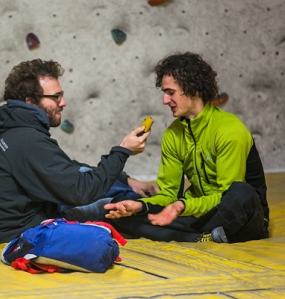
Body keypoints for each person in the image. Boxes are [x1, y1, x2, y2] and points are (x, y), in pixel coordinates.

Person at [0, 59, 158, 245]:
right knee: (115, 204)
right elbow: (82, 191)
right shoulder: (28, 142)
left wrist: (126, 180)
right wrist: (123, 151)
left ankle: (138, 195)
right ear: (31, 102)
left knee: (102, 183)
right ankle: (175, 219)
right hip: (16, 232)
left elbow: (68, 168)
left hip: (3, 225)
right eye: (56, 97)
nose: (63, 102)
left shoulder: (15, 132)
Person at [105, 52, 269, 243]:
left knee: (241, 193)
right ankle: (206, 236)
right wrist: (140, 207)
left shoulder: (230, 130)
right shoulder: (172, 134)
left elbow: (226, 197)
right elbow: (168, 195)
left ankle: (197, 233)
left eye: (170, 93)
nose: (165, 101)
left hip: (237, 213)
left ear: (195, 89)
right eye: (164, 93)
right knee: (117, 209)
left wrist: (181, 206)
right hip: (198, 213)